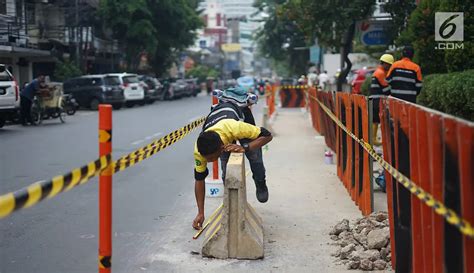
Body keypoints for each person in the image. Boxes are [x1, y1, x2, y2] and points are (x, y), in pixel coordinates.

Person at [193, 87, 273, 230]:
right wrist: (200, 212)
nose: (211, 162)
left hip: (239, 115)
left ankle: (260, 182)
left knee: (254, 156)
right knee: (226, 171)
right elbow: (199, 179)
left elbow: (267, 136)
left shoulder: (235, 127)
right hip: (220, 128)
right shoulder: (199, 150)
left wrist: (245, 147)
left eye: (212, 158)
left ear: (222, 146)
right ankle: (231, 203)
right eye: (208, 159)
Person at [369, 54, 394, 146]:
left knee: (375, 120)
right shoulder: (380, 73)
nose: (390, 66)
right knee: (376, 119)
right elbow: (385, 89)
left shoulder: (379, 71)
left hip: (375, 99)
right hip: (377, 100)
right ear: (384, 63)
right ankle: (373, 139)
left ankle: (373, 139)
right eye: (389, 64)